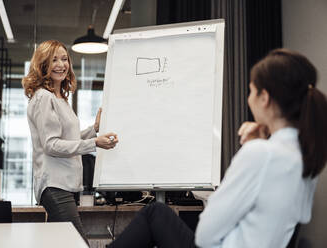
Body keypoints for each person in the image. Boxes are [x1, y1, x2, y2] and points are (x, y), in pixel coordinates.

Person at [107, 48, 327, 248]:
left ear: (264, 98)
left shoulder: (261, 154)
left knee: (155, 213)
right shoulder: (305, 154)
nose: (248, 99)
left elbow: (205, 236)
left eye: (251, 92)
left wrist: (253, 148)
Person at [22, 40, 118, 243]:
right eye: (54, 60)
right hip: (54, 185)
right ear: (43, 65)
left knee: (57, 243)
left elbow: (69, 139)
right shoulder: (43, 98)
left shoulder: (60, 98)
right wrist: (94, 143)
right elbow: (51, 145)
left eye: (64, 59)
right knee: (78, 242)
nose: (61, 64)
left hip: (66, 185)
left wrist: (94, 130)